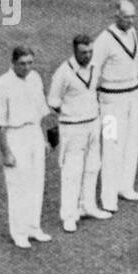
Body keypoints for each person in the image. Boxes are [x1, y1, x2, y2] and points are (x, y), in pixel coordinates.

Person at [0, 46, 53, 248]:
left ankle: (34, 228)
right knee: (19, 186)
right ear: (13, 63)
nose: (27, 67)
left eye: (30, 63)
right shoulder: (3, 84)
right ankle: (19, 233)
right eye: (22, 63)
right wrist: (6, 152)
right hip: (15, 135)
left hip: (34, 132)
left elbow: (40, 112)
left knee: (37, 183)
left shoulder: (35, 78)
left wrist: (43, 138)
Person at [47, 34, 110, 232]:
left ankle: (88, 206)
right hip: (73, 127)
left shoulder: (95, 66)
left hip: (93, 123)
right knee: (72, 171)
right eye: (83, 52)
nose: (88, 55)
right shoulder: (63, 72)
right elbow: (53, 101)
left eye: (90, 51)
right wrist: (71, 115)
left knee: (93, 166)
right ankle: (69, 215)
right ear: (74, 51)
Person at [93, 0, 138, 209]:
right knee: (111, 145)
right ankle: (108, 196)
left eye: (132, 17)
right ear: (116, 16)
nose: (130, 21)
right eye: (126, 17)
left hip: (133, 95)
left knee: (132, 141)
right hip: (111, 100)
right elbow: (93, 69)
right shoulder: (104, 40)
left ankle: (125, 186)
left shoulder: (132, 33)